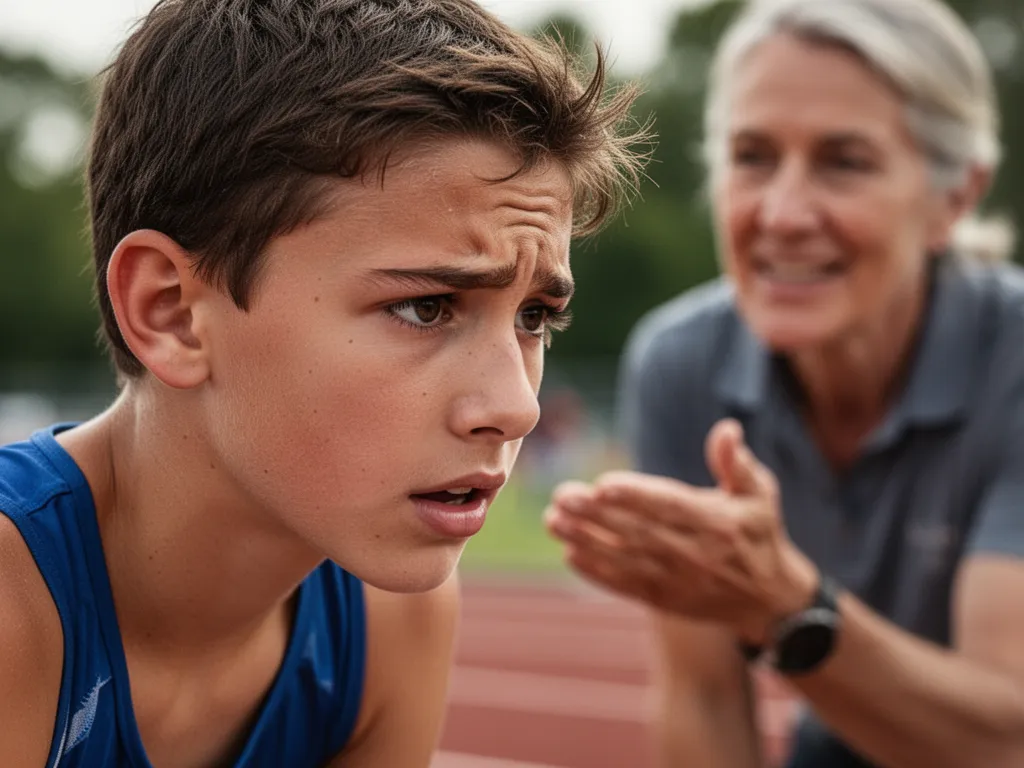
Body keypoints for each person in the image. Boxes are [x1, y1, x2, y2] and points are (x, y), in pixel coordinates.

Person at [0, 1, 647, 766]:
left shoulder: (390, 618)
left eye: (535, 318)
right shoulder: (15, 608)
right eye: (424, 307)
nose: (516, 407)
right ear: (171, 313)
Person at [545, 1, 1024, 767]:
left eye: (845, 161)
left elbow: (1005, 739)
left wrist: (789, 606)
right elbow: (702, 695)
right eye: (753, 156)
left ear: (954, 198)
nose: (784, 213)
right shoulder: (681, 362)